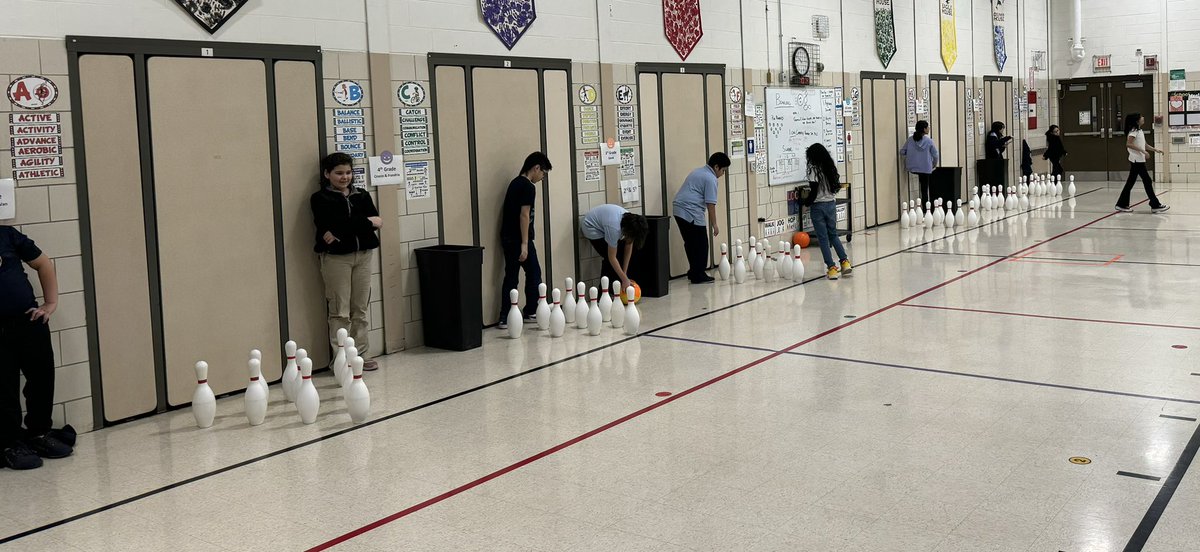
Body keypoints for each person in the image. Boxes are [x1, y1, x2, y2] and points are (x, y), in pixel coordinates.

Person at [1, 226, 74, 470]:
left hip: (28, 321)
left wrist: (50, 303)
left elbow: (43, 264)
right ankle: (9, 442)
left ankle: (39, 432)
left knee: (42, 378)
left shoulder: (7, 235)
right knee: (4, 388)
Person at [310, 152, 382, 370]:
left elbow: (377, 222)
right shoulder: (320, 198)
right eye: (339, 173)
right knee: (340, 311)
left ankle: (360, 355)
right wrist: (366, 222)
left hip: (363, 256)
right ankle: (341, 359)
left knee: (359, 309)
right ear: (327, 174)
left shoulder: (362, 195)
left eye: (348, 172)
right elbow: (333, 223)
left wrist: (354, 224)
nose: (345, 177)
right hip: (336, 259)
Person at [497, 152, 551, 328]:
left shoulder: (514, 183)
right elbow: (524, 215)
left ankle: (505, 316)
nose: (542, 177)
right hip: (519, 239)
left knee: (511, 276)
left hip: (507, 237)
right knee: (534, 273)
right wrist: (525, 244)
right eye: (543, 173)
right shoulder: (528, 187)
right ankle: (530, 311)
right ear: (536, 168)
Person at [672, 152, 730, 284]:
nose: (723, 174)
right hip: (689, 211)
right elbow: (711, 204)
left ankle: (694, 271)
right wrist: (714, 224)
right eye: (723, 170)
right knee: (701, 244)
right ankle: (698, 274)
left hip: (679, 209)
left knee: (691, 243)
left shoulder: (699, 171)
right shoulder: (710, 179)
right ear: (716, 167)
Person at [802, 144, 852, 280]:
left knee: (823, 239)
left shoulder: (813, 170)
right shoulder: (830, 166)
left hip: (818, 207)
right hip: (831, 204)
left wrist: (805, 203)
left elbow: (813, 191)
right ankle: (845, 262)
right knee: (833, 235)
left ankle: (831, 268)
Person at [580, 204, 649, 292]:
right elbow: (611, 258)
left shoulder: (632, 222)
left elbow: (629, 245)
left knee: (619, 258)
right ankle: (603, 293)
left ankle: (617, 286)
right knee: (610, 260)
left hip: (605, 224)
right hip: (590, 226)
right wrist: (624, 279)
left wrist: (624, 274)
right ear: (627, 231)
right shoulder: (614, 229)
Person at [1116, 113, 1169, 213]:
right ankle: (1155, 204)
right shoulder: (1133, 131)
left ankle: (1121, 204)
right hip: (1136, 160)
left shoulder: (1139, 131)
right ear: (1137, 121)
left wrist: (1155, 150)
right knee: (1147, 181)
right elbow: (1128, 144)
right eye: (1141, 117)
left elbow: (1144, 144)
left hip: (1139, 160)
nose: (1143, 118)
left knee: (1131, 183)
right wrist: (1143, 151)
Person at [899, 120, 939, 204]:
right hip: (925, 168)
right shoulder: (929, 141)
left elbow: (902, 152)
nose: (929, 128)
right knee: (924, 189)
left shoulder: (910, 140)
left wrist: (910, 152)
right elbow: (935, 155)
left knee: (921, 184)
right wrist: (934, 164)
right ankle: (925, 209)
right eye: (927, 127)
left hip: (913, 168)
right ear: (924, 129)